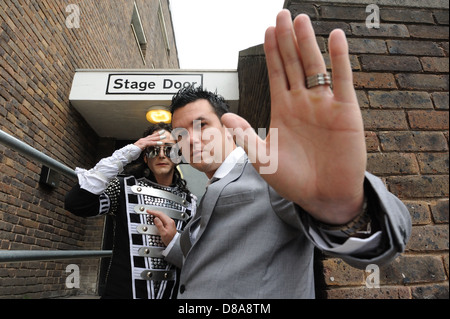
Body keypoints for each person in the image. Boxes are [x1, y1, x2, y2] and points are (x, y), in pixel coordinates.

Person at [148, 10, 411, 298]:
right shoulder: (208, 192)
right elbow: (212, 269)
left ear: (228, 126)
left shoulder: (269, 173)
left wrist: (346, 211)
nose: (191, 139)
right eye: (181, 133)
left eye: (202, 125)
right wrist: (175, 242)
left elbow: (381, 244)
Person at [64, 123, 196, 299]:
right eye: (153, 150)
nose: (162, 155)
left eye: (169, 149)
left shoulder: (190, 202)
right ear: (144, 157)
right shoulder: (123, 188)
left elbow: (195, 255)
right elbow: (77, 203)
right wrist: (129, 151)